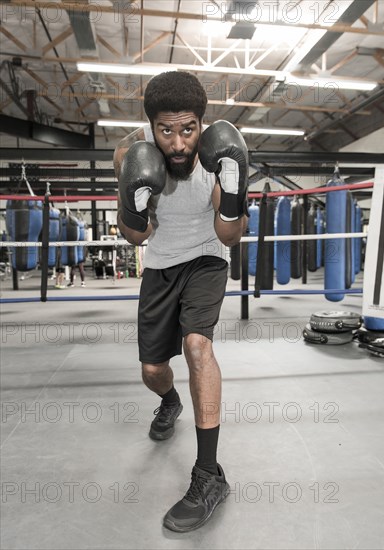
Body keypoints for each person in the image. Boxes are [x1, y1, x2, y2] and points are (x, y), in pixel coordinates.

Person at [114, 71, 248, 532]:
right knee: (153, 370)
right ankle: (169, 401)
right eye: (165, 131)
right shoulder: (130, 156)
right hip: (159, 266)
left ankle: (209, 474)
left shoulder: (218, 155)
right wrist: (134, 200)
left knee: (197, 346)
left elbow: (227, 234)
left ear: (200, 124)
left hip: (207, 261)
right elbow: (137, 234)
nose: (177, 143)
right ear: (151, 126)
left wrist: (232, 192)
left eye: (187, 129)